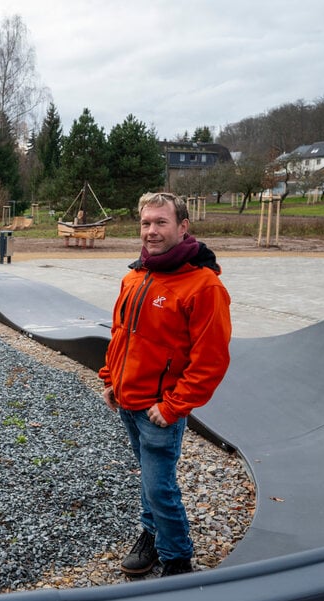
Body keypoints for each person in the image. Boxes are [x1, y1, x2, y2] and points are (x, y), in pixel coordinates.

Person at [99, 192, 232, 577]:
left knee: (160, 487)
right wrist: (111, 378)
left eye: (161, 223)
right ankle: (151, 535)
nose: (151, 231)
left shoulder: (203, 287)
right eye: (145, 223)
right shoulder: (135, 275)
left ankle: (176, 558)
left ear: (183, 227)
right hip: (128, 401)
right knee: (149, 479)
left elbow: (211, 360)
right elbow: (120, 333)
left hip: (160, 410)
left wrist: (173, 406)